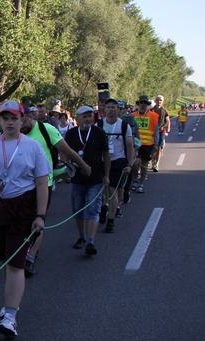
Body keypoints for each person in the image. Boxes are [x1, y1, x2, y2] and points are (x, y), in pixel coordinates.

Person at [0, 100, 50, 338]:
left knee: (15, 263)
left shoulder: (33, 147)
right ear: (0, 121)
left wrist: (41, 215)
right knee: (5, 259)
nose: (10, 122)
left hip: (22, 207)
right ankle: (9, 303)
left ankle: (10, 316)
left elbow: (41, 182)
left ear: (22, 119)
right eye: (6, 118)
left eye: (14, 118)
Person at [20, 105, 90, 276]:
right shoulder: (14, 133)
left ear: (31, 117)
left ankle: (31, 258)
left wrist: (82, 165)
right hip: (19, 185)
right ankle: (25, 250)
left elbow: (67, 150)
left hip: (44, 183)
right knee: (22, 222)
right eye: (16, 118)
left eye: (23, 118)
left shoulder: (46, 130)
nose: (19, 123)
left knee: (38, 220)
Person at [64, 106, 110, 256]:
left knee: (92, 209)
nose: (88, 119)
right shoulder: (71, 134)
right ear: (77, 118)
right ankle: (82, 236)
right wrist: (67, 172)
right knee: (77, 210)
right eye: (84, 116)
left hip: (96, 179)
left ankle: (90, 242)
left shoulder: (99, 133)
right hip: (77, 179)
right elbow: (64, 153)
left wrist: (106, 176)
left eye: (90, 116)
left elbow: (106, 155)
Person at [97, 99, 134, 234]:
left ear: (118, 109)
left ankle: (111, 220)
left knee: (113, 191)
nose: (111, 110)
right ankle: (103, 207)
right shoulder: (99, 124)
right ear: (104, 109)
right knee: (102, 191)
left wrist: (130, 164)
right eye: (108, 107)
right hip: (101, 161)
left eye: (114, 107)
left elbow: (130, 147)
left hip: (118, 160)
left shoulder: (124, 126)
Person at [132, 95, 160, 193]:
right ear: (138, 104)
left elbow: (156, 131)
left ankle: (141, 183)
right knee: (135, 164)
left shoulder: (153, 116)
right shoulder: (133, 115)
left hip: (148, 144)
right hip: (135, 144)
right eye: (141, 103)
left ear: (147, 105)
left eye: (145, 103)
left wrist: (156, 144)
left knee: (144, 164)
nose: (143, 105)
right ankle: (135, 180)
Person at [150, 95, 170, 172]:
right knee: (152, 148)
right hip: (152, 132)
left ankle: (156, 164)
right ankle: (153, 161)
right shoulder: (151, 110)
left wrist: (163, 126)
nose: (159, 102)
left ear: (162, 102)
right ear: (155, 101)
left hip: (161, 131)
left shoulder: (164, 111)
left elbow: (167, 121)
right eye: (158, 100)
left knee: (159, 148)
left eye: (161, 100)